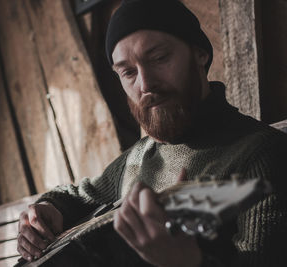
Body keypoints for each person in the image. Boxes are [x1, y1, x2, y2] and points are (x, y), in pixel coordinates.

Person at [17, 0, 287, 266]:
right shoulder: (139, 155)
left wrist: (185, 262)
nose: (145, 84)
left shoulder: (261, 155)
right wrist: (49, 209)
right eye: (128, 72)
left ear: (200, 53)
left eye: (159, 58)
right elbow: (78, 195)